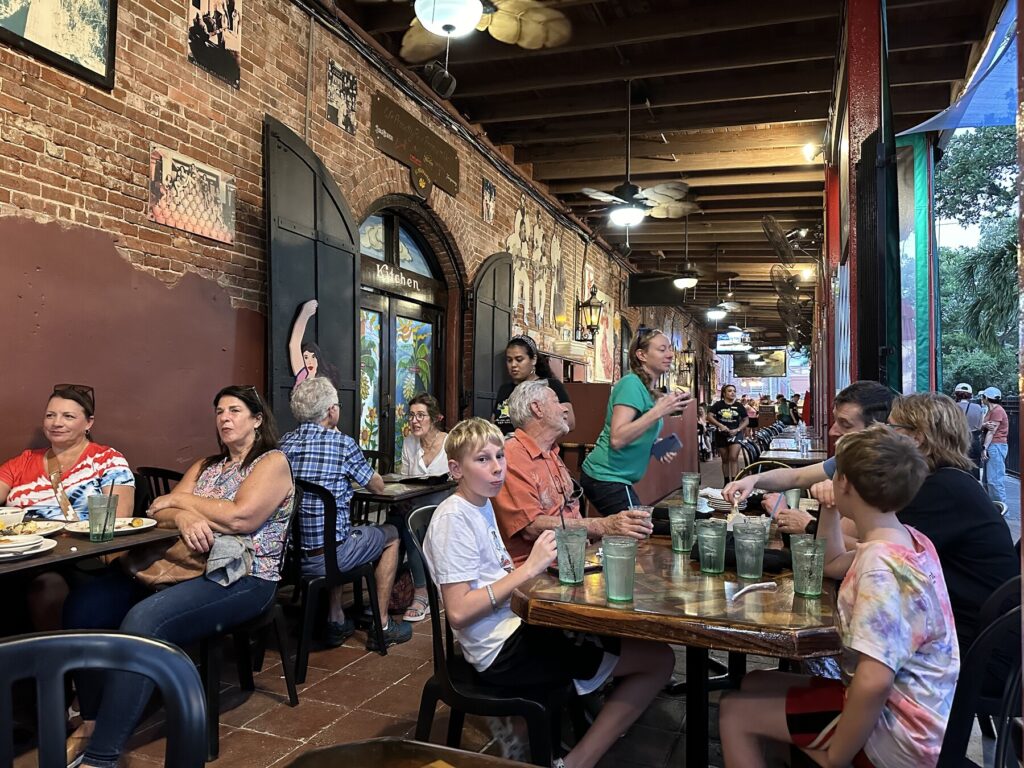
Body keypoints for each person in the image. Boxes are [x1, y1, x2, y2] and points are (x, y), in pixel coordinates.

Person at [63, 385, 294, 768]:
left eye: (235, 410)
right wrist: (183, 515)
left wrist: (182, 501)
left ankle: (101, 756)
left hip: (246, 577)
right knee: (84, 606)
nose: (224, 418)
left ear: (257, 419)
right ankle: (90, 720)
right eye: (219, 411)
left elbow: (241, 516)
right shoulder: (206, 465)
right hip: (182, 567)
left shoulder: (272, 462)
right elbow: (158, 510)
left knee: (144, 621)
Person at [423, 418, 674, 768]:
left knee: (629, 643)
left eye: (500, 456)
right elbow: (460, 612)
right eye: (482, 460)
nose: (497, 468)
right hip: (500, 651)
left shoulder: (480, 503)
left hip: (517, 627)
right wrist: (530, 568)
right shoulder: (453, 519)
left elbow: (496, 575)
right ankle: (574, 762)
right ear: (455, 469)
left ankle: (538, 731)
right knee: (659, 660)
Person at [720, 425, 958, 768]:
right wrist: (828, 509)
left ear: (843, 483)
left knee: (733, 712)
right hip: (914, 710)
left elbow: (875, 681)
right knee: (755, 681)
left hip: (893, 733)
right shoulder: (903, 539)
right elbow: (830, 563)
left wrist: (837, 755)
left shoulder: (880, 569)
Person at [883, 393, 1019, 665]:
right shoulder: (945, 480)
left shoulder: (942, 490)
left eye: (891, 427)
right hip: (972, 636)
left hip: (977, 654)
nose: (883, 434)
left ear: (917, 437)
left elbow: (880, 551)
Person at [279, 377, 412, 649]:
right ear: (331, 411)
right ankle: (383, 625)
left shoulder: (284, 444)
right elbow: (376, 486)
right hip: (328, 557)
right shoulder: (341, 444)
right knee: (391, 534)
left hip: (289, 558)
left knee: (337, 530)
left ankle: (336, 618)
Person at [0, 385, 135, 630]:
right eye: (50, 415)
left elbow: (117, 520)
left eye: (68, 416)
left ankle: (56, 662)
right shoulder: (23, 461)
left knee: (46, 585)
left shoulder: (106, 459)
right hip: (20, 556)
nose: (56, 423)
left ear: (89, 422)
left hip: (78, 557)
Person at [492, 380, 652, 565]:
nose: (565, 409)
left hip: (573, 562)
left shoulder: (552, 453)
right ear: (537, 408)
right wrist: (603, 525)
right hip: (538, 573)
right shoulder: (511, 457)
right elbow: (531, 526)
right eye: (557, 402)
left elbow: (569, 514)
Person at [724, 380, 896, 535]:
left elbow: (860, 546)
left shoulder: (882, 476)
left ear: (878, 429)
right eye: (835, 421)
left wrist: (803, 522)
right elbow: (796, 476)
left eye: (845, 424)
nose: (832, 431)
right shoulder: (850, 461)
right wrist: (753, 479)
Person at [580, 328, 691, 517]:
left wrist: (654, 445)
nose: (670, 355)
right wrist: (658, 411)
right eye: (662, 349)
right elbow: (617, 438)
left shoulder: (647, 390)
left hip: (618, 478)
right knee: (638, 531)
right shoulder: (630, 384)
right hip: (606, 476)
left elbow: (636, 429)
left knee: (638, 530)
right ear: (642, 355)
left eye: (670, 349)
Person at [399, 393, 449, 622]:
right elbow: (403, 478)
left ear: (435, 418)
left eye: (421, 415)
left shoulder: (449, 442)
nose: (414, 421)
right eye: (411, 416)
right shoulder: (409, 443)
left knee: (416, 520)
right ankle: (420, 591)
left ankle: (435, 588)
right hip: (417, 506)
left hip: (445, 506)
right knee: (408, 521)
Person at [492, 334, 574, 435]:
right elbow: (494, 424)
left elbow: (569, 422)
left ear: (533, 359)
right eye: (509, 360)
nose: (513, 365)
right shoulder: (504, 389)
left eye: (519, 359)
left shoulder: (550, 386)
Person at [288, 298, 341, 387]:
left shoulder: (325, 379)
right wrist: (304, 315)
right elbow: (294, 344)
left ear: (318, 358)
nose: (310, 362)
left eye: (313, 356)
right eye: (306, 357)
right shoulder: (302, 374)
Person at [707, 384, 747, 484]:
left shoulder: (739, 406)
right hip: (721, 434)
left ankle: (734, 481)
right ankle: (726, 481)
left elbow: (746, 420)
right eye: (729, 391)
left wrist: (738, 429)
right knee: (725, 459)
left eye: (734, 391)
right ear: (724, 393)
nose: (732, 393)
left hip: (735, 434)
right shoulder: (718, 405)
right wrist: (720, 425)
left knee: (733, 457)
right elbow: (709, 416)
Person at [979, 386, 1008, 505]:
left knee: (994, 481)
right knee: (987, 481)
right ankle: (992, 509)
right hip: (993, 446)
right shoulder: (991, 410)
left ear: (986, 398)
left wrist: (984, 448)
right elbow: (984, 426)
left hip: (995, 446)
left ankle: (1001, 512)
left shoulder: (997, 411)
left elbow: (992, 431)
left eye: (983, 397)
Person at [953, 383, 984, 479]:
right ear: (970, 395)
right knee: (974, 469)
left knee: (959, 469)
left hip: (958, 440)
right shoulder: (978, 408)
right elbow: (980, 426)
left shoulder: (953, 407)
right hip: (974, 441)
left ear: (956, 394)